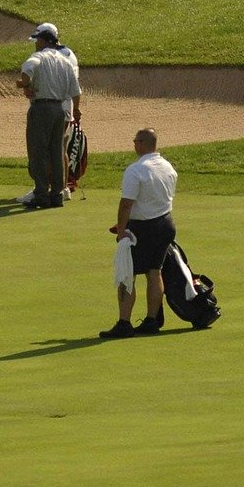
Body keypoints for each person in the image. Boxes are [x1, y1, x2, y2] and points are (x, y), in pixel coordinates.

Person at [102, 128, 178, 339]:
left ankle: (124, 323)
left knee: (127, 273)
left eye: (136, 140)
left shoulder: (136, 170)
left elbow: (126, 204)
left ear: (143, 143)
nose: (134, 143)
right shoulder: (167, 166)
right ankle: (152, 320)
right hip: (165, 224)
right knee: (154, 272)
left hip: (143, 228)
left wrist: (121, 229)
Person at [17, 22, 80, 209]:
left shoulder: (38, 57)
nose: (35, 43)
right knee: (57, 152)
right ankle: (57, 194)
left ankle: (41, 194)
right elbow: (76, 91)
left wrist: (24, 84)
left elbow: (27, 71)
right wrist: (76, 109)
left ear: (44, 41)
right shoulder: (65, 61)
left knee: (39, 152)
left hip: (41, 108)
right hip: (59, 110)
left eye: (37, 40)